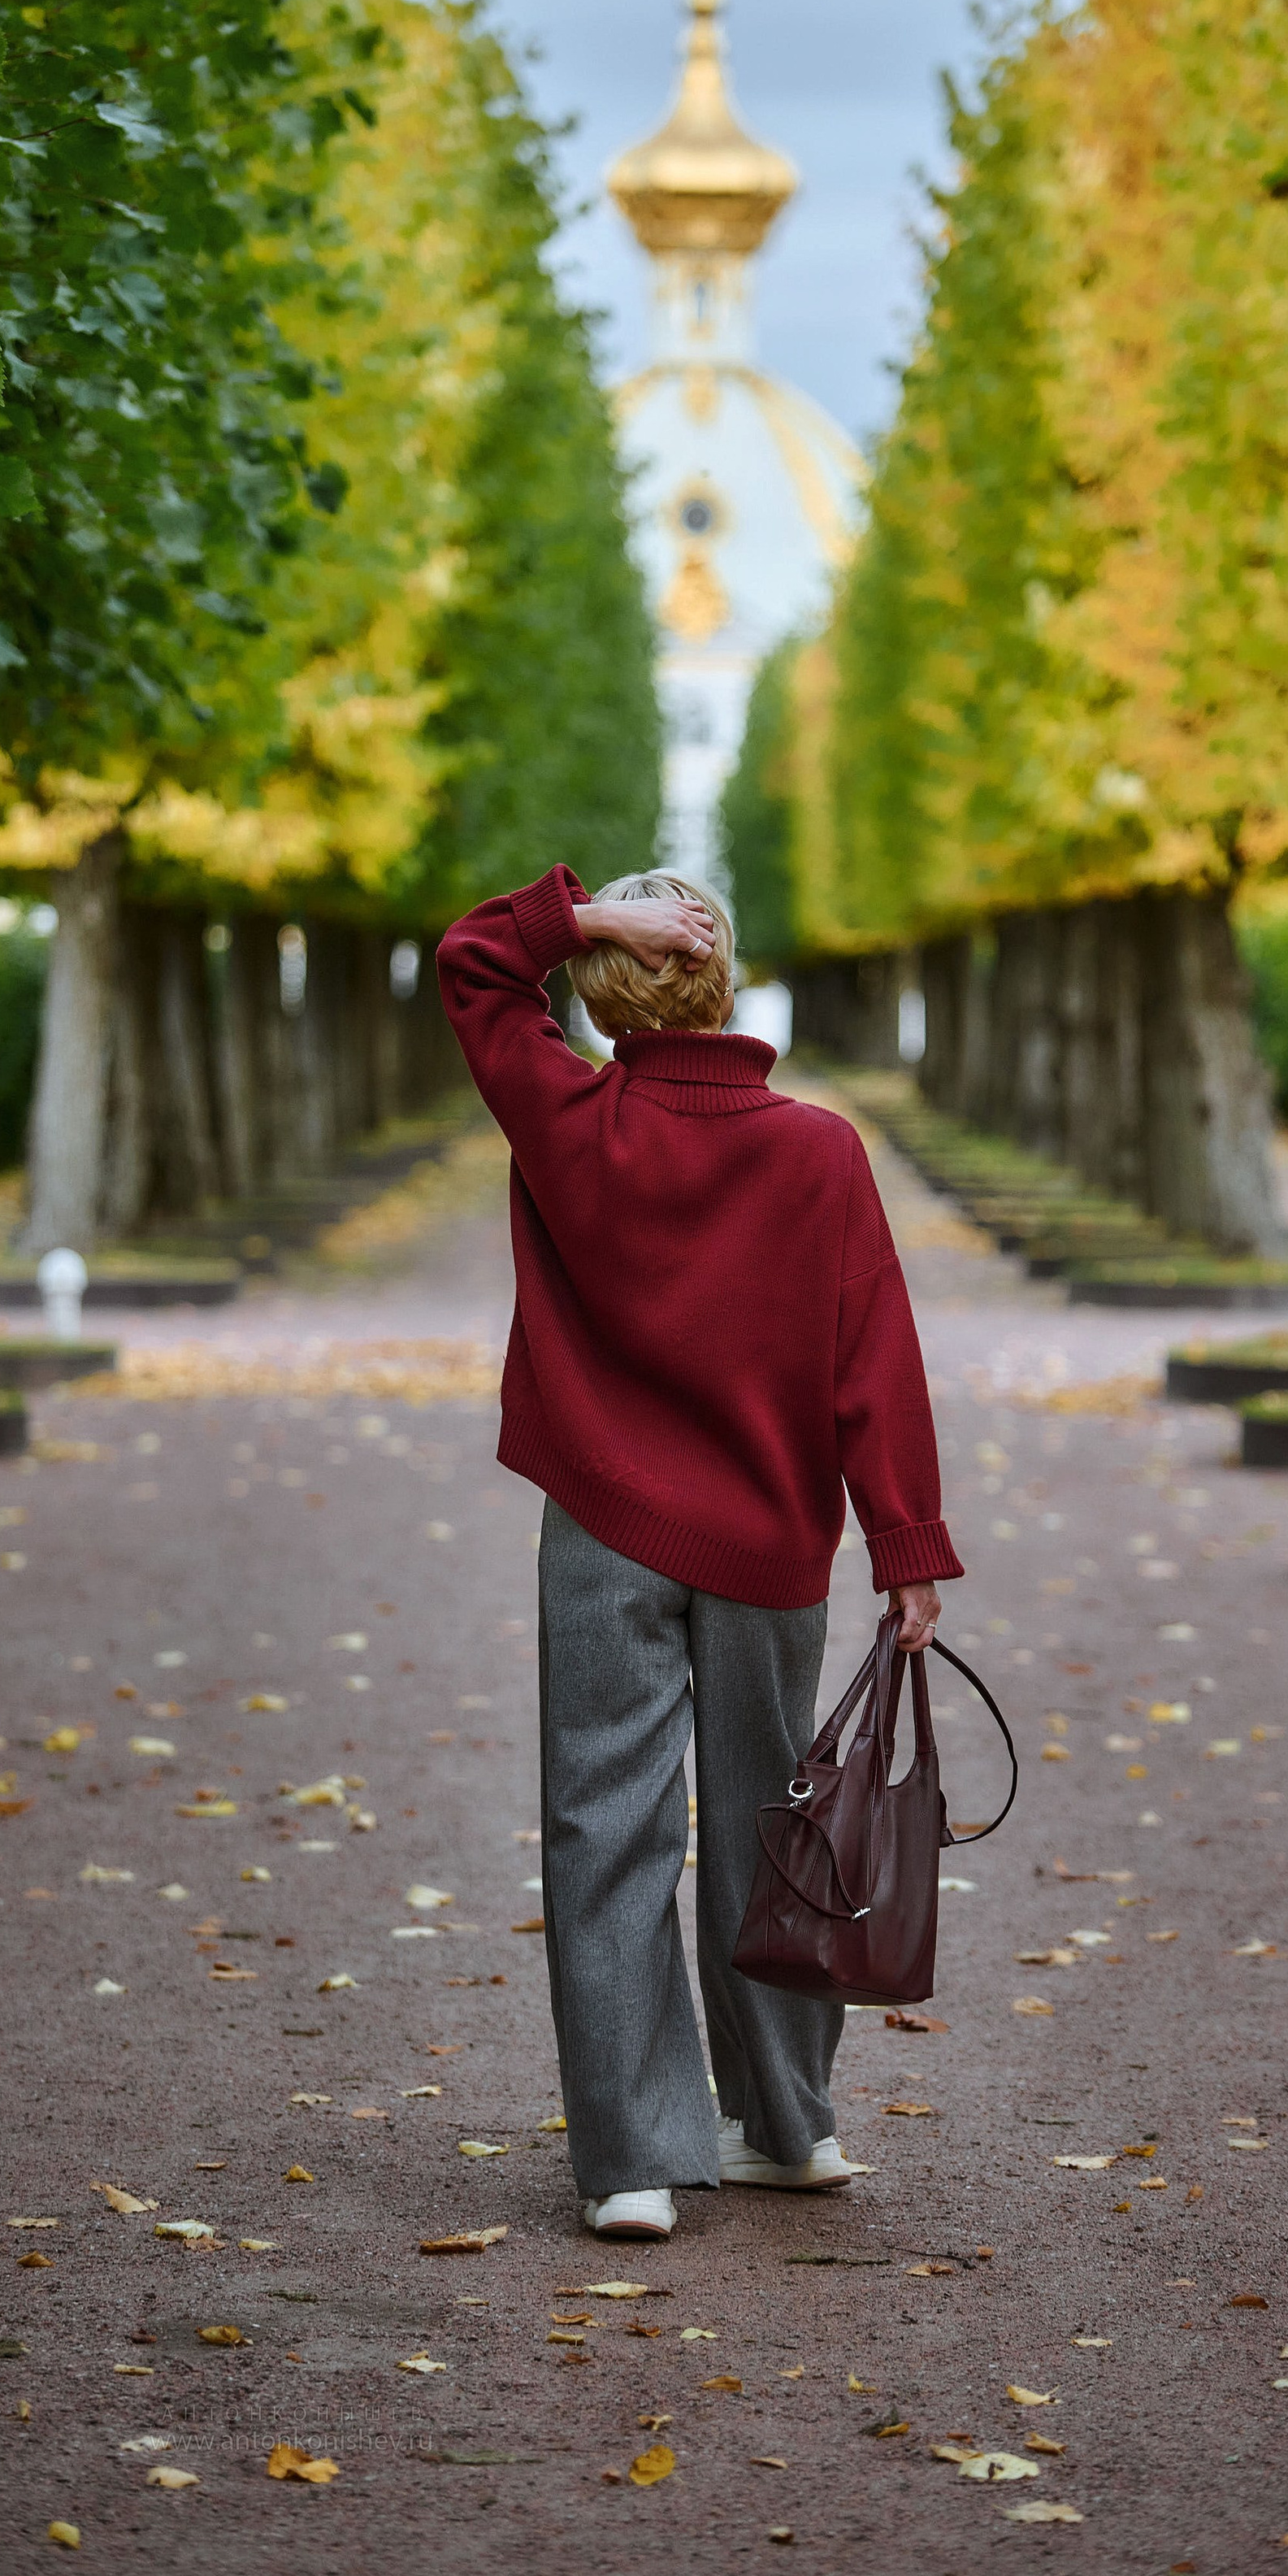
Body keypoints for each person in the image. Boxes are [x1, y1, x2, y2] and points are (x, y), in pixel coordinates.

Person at [437, 865, 962, 2245]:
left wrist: (591, 920)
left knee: (603, 1824)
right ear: (718, 978)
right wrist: (905, 1545)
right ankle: (789, 2131)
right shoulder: (820, 1153)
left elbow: (474, 963)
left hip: (605, 1526)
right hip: (771, 1541)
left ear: (609, 983)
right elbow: (876, 1358)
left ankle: (629, 2160)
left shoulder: (568, 1119)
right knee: (769, 1833)